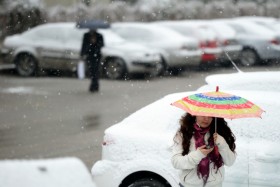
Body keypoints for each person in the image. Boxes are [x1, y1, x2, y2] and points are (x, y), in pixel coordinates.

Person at [172, 113, 236, 187]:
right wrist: (198, 155)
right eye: (203, 114)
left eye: (210, 116)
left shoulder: (221, 132)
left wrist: (222, 144)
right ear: (195, 114)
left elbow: (230, 162)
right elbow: (176, 162)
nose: (206, 118)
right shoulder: (184, 133)